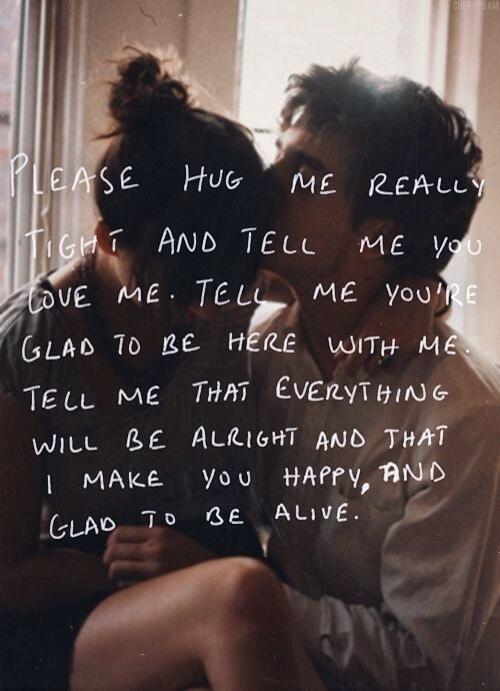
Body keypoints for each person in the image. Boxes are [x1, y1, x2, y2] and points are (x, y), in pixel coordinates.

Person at [0, 49, 444, 690]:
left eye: (226, 287)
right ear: (108, 240)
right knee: (239, 593)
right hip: (79, 616)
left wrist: (416, 295)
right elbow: (7, 575)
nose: (207, 314)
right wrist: (147, 565)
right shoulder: (29, 344)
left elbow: (352, 277)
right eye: (180, 295)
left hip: (219, 578)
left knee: (248, 600)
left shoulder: (214, 281)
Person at [248, 61, 500, 690]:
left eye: (305, 175)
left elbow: (428, 667)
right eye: (278, 155)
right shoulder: (258, 357)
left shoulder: (462, 418)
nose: (267, 183)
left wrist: (248, 598)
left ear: (376, 237)